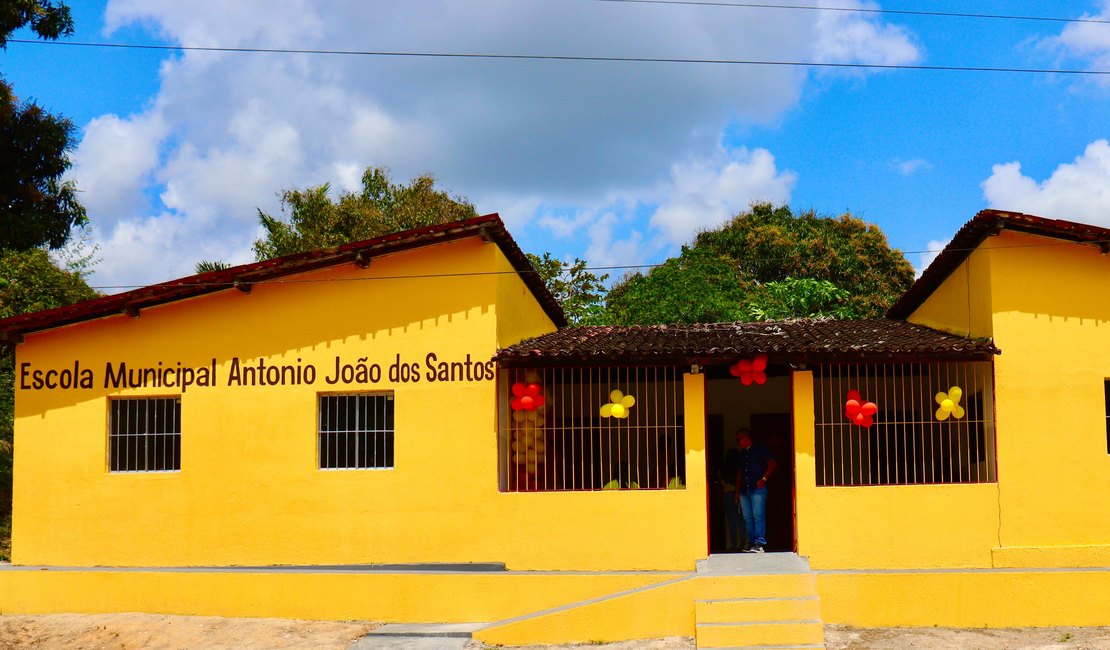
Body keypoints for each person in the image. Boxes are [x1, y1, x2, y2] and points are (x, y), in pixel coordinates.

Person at [733, 427, 777, 553]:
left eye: (738, 439)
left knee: (758, 515)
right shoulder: (741, 454)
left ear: (746, 438)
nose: (738, 442)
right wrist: (736, 492)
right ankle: (751, 542)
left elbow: (772, 463)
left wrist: (764, 479)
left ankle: (759, 543)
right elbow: (739, 473)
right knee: (747, 518)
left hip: (757, 488)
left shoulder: (760, 449)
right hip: (744, 490)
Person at [719, 444, 742, 551]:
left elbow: (721, 483)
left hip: (727, 494)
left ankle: (734, 544)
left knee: (731, 521)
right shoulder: (739, 469)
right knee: (742, 519)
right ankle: (743, 542)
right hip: (740, 494)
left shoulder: (723, 469)